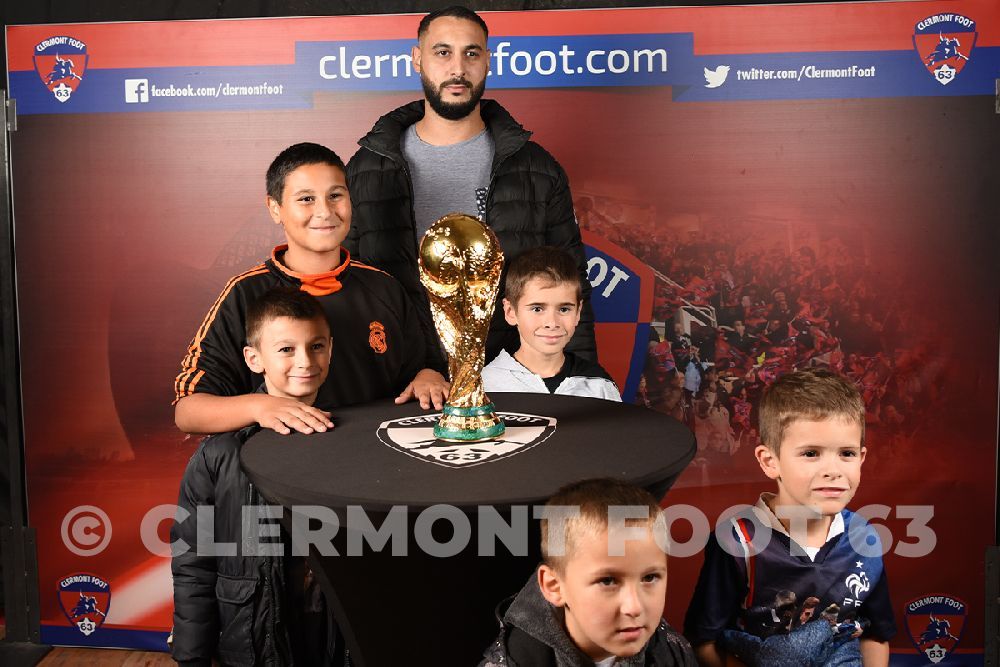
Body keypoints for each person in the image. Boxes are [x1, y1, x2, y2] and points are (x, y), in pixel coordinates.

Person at [345, 5, 596, 365]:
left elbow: (570, 281)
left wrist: (579, 379)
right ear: (417, 59)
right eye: (442, 52)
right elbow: (347, 286)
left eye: (471, 53)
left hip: (509, 376)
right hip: (401, 380)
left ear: (488, 61)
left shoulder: (536, 168)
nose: (458, 69)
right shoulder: (367, 168)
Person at [173, 142, 448, 435]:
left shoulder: (384, 286)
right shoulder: (244, 293)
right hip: (285, 466)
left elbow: (423, 367)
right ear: (275, 208)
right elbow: (188, 411)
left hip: (375, 460)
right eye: (306, 199)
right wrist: (260, 406)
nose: (325, 211)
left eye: (335, 196)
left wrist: (428, 376)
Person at [171, 288, 346, 666]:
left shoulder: (352, 442)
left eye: (316, 346)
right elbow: (193, 562)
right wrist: (191, 656)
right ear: (254, 359)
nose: (305, 361)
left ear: (330, 349)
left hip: (332, 633)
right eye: (286, 349)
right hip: (250, 634)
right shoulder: (221, 454)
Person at [684, 369, 895, 666]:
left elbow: (876, 635)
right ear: (770, 462)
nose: (833, 470)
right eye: (811, 453)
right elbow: (704, 641)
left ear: (861, 458)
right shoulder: (738, 541)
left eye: (846, 453)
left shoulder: (864, 537)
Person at [480, 478, 696, 666]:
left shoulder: (672, 653)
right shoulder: (513, 662)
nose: (634, 607)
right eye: (608, 581)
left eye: (649, 577)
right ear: (554, 586)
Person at [482, 247, 620, 400]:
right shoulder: (486, 386)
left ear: (578, 312)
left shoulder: (599, 384)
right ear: (510, 312)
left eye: (564, 309)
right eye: (537, 309)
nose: (552, 323)